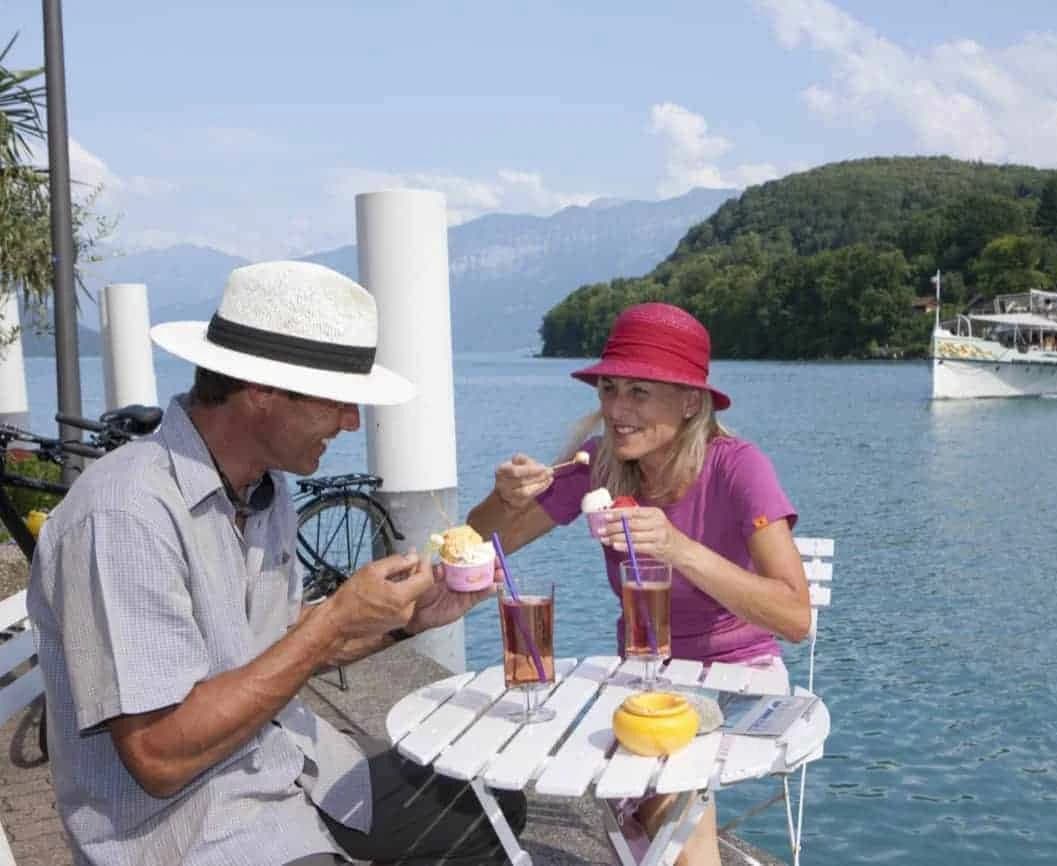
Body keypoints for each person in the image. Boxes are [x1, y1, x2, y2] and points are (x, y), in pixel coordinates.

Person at [27, 261, 525, 866]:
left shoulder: (261, 489)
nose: (352, 422)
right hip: (192, 831)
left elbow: (275, 647)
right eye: (339, 400)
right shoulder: (124, 516)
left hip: (288, 773)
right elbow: (158, 756)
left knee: (492, 809)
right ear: (260, 390)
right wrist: (334, 620)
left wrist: (408, 619)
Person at [467, 302, 810, 866]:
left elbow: (796, 617)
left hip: (740, 674)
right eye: (608, 389)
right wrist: (502, 498)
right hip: (644, 671)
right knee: (627, 765)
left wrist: (678, 548)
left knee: (661, 780)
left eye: (639, 393)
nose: (616, 411)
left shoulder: (738, 467)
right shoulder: (598, 462)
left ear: (691, 401)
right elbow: (482, 542)